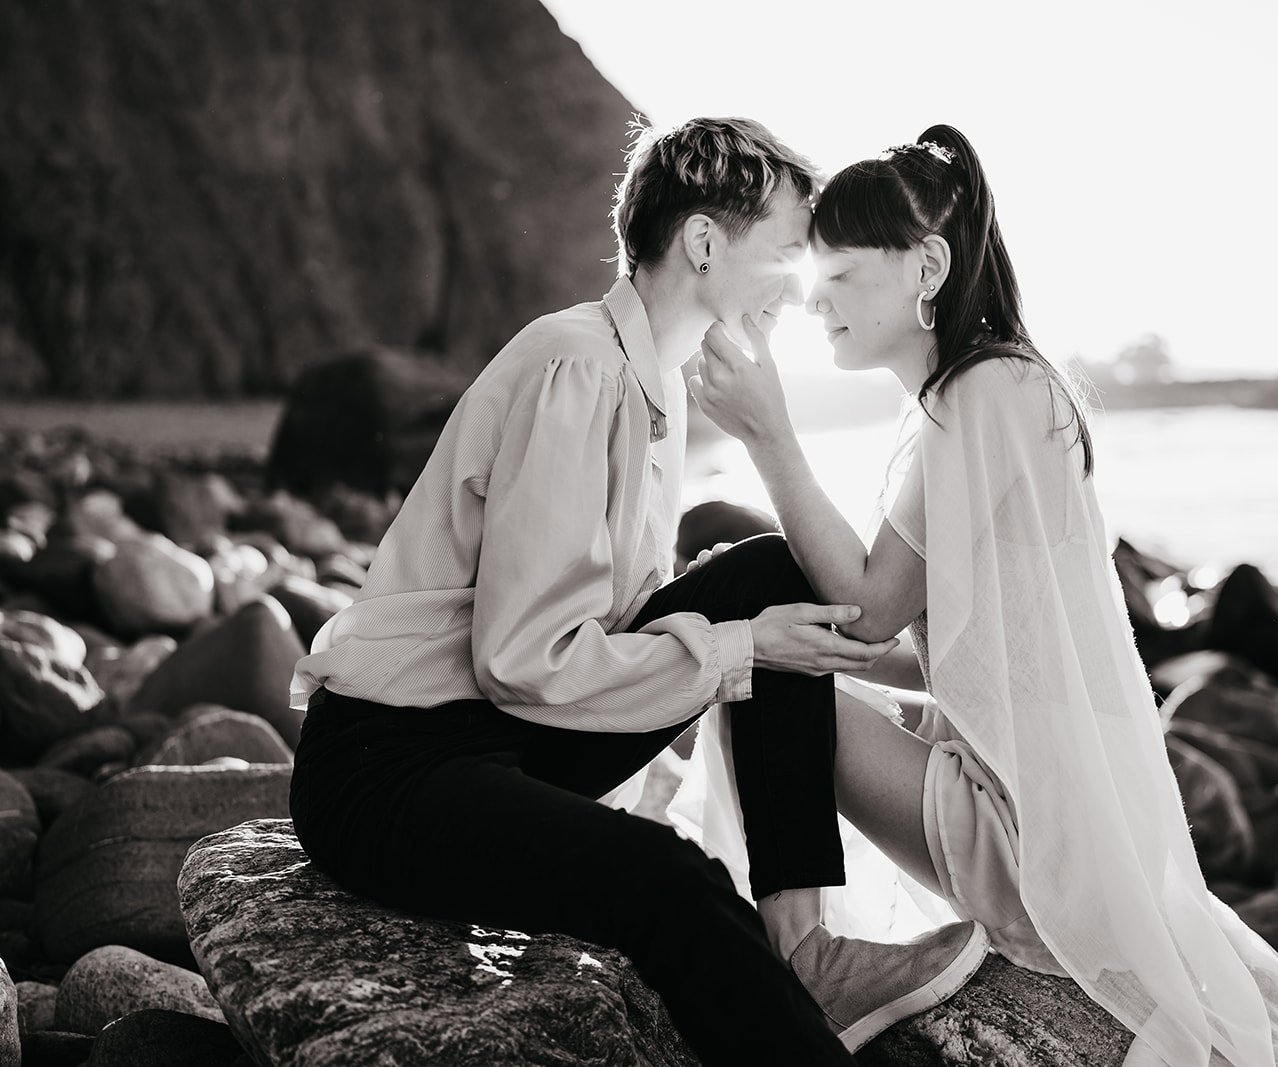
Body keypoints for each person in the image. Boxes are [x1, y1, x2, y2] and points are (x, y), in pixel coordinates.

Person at [687, 124, 1278, 1066]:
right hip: (1049, 809)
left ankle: (806, 959)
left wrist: (770, 440)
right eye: (813, 287)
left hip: (1025, 835)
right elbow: (957, 648)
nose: (820, 307)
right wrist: (823, 652)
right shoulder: (998, 390)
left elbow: (868, 614)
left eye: (844, 278)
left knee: (756, 669)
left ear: (928, 267)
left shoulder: (980, 398)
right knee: (777, 647)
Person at [286, 117, 988, 1067]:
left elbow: (614, 620)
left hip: (500, 729)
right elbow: (519, 659)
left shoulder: (653, 376)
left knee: (773, 568)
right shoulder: (577, 364)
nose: (803, 282)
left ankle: (805, 952)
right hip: (394, 763)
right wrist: (743, 652)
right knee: (667, 879)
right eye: (787, 250)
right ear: (704, 242)